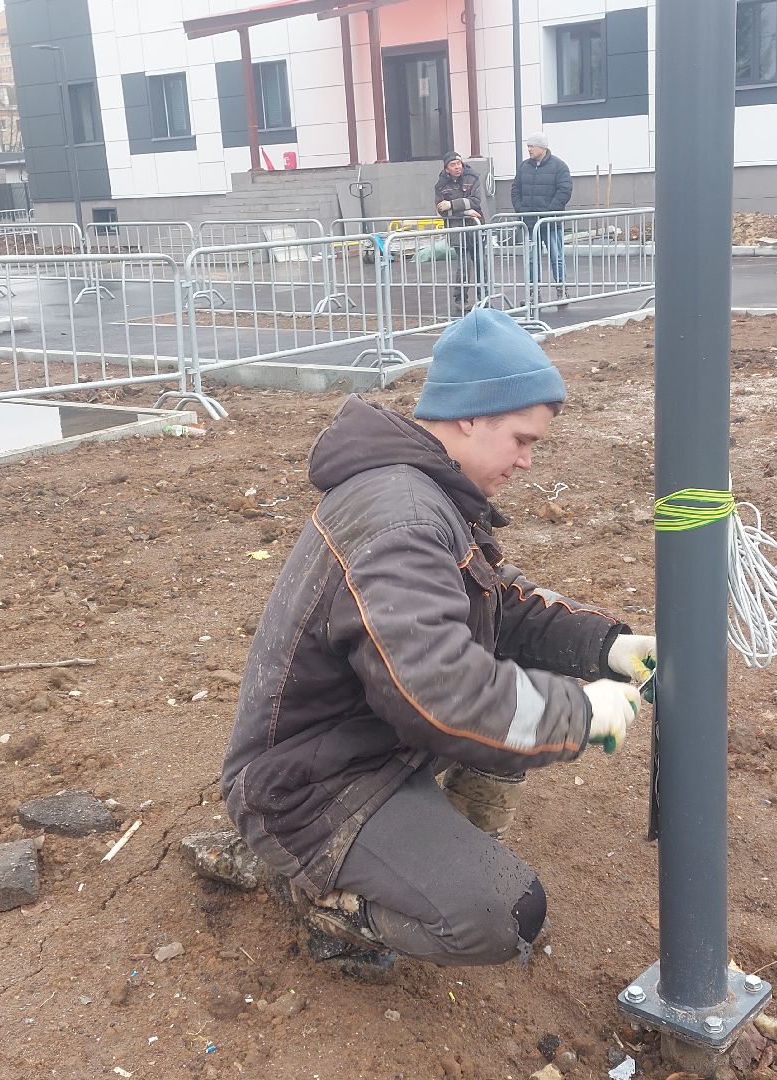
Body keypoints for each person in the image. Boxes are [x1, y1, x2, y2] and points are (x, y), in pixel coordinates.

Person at [201, 307, 655, 974]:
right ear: (471, 414)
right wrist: (580, 714)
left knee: (505, 695)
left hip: (368, 747)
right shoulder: (403, 519)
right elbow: (440, 695)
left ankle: (428, 846)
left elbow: (501, 603)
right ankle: (333, 902)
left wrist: (606, 644)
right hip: (308, 789)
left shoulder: (429, 493)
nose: (528, 462)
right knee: (505, 916)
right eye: (522, 439)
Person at [510, 132, 573, 302]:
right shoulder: (524, 167)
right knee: (532, 259)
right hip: (530, 222)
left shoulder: (559, 166)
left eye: (532, 146)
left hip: (550, 222)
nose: (529, 149)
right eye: (528, 146)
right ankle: (533, 293)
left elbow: (564, 191)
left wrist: (548, 211)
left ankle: (561, 289)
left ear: (542, 147)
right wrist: (521, 210)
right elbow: (515, 189)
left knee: (556, 257)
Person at [434, 150, 488, 314]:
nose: (457, 167)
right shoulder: (440, 186)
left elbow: (476, 201)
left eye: (459, 163)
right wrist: (464, 211)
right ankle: (460, 300)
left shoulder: (473, 177)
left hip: (476, 227)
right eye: (453, 165)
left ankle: (484, 298)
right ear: (446, 168)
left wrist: (451, 204)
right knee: (464, 266)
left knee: (482, 265)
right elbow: (441, 210)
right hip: (457, 230)